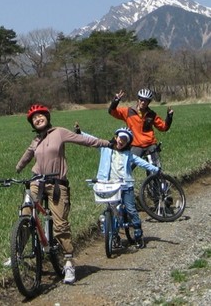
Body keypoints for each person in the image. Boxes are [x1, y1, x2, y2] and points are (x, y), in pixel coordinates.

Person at [14, 103, 113, 285]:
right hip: (37, 182)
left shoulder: (59, 132)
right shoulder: (36, 141)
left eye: (40, 115)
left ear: (47, 117)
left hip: (57, 184)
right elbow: (27, 155)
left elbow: (84, 140)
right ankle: (17, 254)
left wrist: (108, 143)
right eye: (34, 118)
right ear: (32, 123)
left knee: (60, 225)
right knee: (26, 213)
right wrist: (18, 168)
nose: (38, 119)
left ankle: (68, 262)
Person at [95, 127, 160, 249]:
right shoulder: (106, 149)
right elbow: (93, 140)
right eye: (120, 138)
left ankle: (137, 232)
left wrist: (155, 169)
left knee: (131, 209)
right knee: (112, 211)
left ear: (127, 143)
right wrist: (79, 133)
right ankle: (114, 236)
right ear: (116, 138)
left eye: (125, 140)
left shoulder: (128, 154)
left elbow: (141, 162)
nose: (121, 141)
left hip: (126, 185)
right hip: (110, 185)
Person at [108, 88, 174, 160]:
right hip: (136, 145)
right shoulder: (128, 111)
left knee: (155, 166)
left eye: (146, 101)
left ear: (148, 102)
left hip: (150, 144)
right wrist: (116, 101)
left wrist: (169, 117)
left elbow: (164, 127)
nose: (143, 102)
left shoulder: (152, 114)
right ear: (138, 99)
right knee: (128, 165)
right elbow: (112, 112)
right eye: (141, 100)